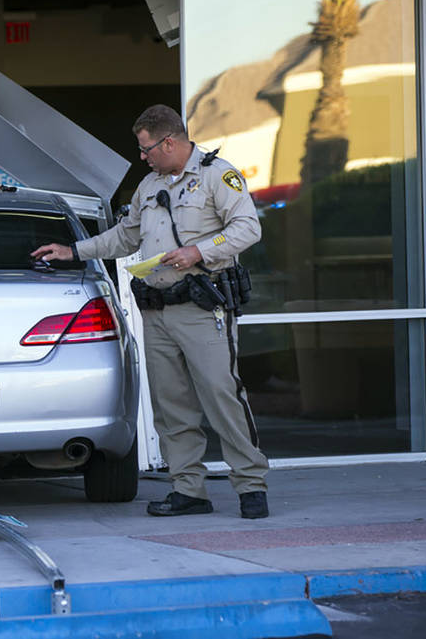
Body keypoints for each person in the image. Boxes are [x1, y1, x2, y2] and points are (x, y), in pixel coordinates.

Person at [31, 104, 269, 519]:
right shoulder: (148, 186)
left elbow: (248, 228)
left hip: (203, 307)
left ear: (170, 142)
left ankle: (251, 485)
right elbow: (124, 238)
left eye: (146, 149)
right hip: (158, 312)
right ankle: (188, 490)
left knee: (222, 396)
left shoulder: (217, 175)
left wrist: (199, 250)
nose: (143, 157)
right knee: (171, 405)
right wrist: (72, 252)